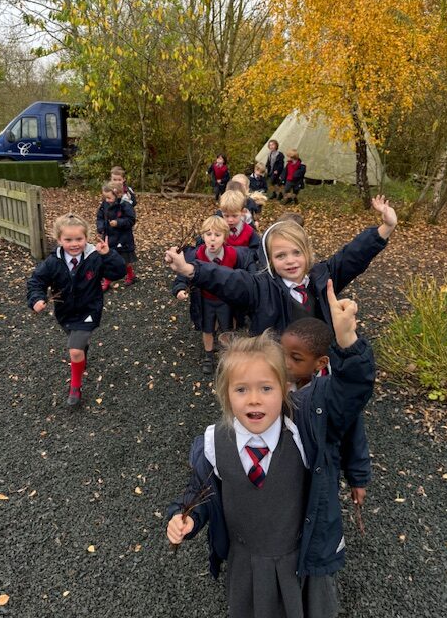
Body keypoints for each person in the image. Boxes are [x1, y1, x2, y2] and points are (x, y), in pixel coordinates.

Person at [166, 281, 375, 618]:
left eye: (266, 388)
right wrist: (183, 517)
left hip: (300, 558)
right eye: (241, 389)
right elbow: (199, 492)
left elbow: (351, 392)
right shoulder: (213, 443)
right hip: (246, 562)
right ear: (225, 395)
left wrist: (347, 343)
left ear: (285, 389)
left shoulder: (305, 427)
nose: (254, 399)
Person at [165, 195, 397, 335]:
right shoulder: (261, 287)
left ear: (307, 252)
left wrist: (385, 228)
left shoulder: (322, 277)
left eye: (297, 252)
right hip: (277, 368)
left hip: (316, 363)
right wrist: (189, 269)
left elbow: (352, 256)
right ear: (270, 260)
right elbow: (228, 279)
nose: (291, 260)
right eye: (281, 255)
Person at [26, 213, 126, 406]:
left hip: (89, 310)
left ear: (86, 237)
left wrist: (108, 254)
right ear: (59, 240)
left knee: (74, 350)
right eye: (68, 239)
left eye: (79, 239)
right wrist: (36, 298)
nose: (74, 244)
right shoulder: (53, 261)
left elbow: (118, 272)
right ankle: (82, 350)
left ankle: (75, 387)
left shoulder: (95, 257)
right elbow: (36, 281)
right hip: (65, 312)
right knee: (77, 344)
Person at [281, 318, 370, 507]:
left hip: (320, 477)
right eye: (281, 354)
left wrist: (357, 479)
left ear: (321, 363)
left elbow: (354, 434)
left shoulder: (334, 398)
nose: (285, 363)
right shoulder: (273, 386)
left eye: (296, 358)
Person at [173, 215, 256, 375]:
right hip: (205, 300)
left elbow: (246, 271)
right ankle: (209, 356)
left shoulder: (233, 254)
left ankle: (227, 355)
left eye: (217, 235)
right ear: (202, 236)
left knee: (227, 328)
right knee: (208, 328)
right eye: (208, 234)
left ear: (225, 237)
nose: (212, 239)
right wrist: (180, 288)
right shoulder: (196, 255)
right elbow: (183, 273)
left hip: (226, 300)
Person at [97, 183, 137, 290]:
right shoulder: (104, 204)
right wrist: (101, 227)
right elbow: (100, 217)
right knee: (108, 257)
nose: (107, 200)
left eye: (109, 197)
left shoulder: (125, 205)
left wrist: (118, 222)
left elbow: (131, 220)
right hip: (109, 236)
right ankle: (107, 280)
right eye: (105, 197)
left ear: (117, 195)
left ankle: (130, 275)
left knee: (125, 259)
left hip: (123, 237)